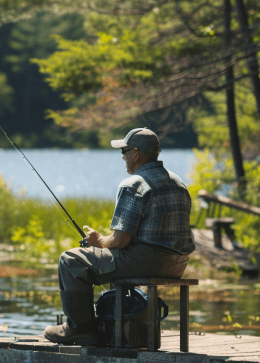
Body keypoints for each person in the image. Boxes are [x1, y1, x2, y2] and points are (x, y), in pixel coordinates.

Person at [43, 128, 196, 345]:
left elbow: (119, 241)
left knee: (70, 260)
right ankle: (109, 326)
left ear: (135, 153)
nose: (122, 156)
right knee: (102, 258)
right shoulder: (178, 182)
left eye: (124, 151)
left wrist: (98, 241)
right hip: (177, 265)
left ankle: (79, 329)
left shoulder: (134, 184)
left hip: (147, 262)